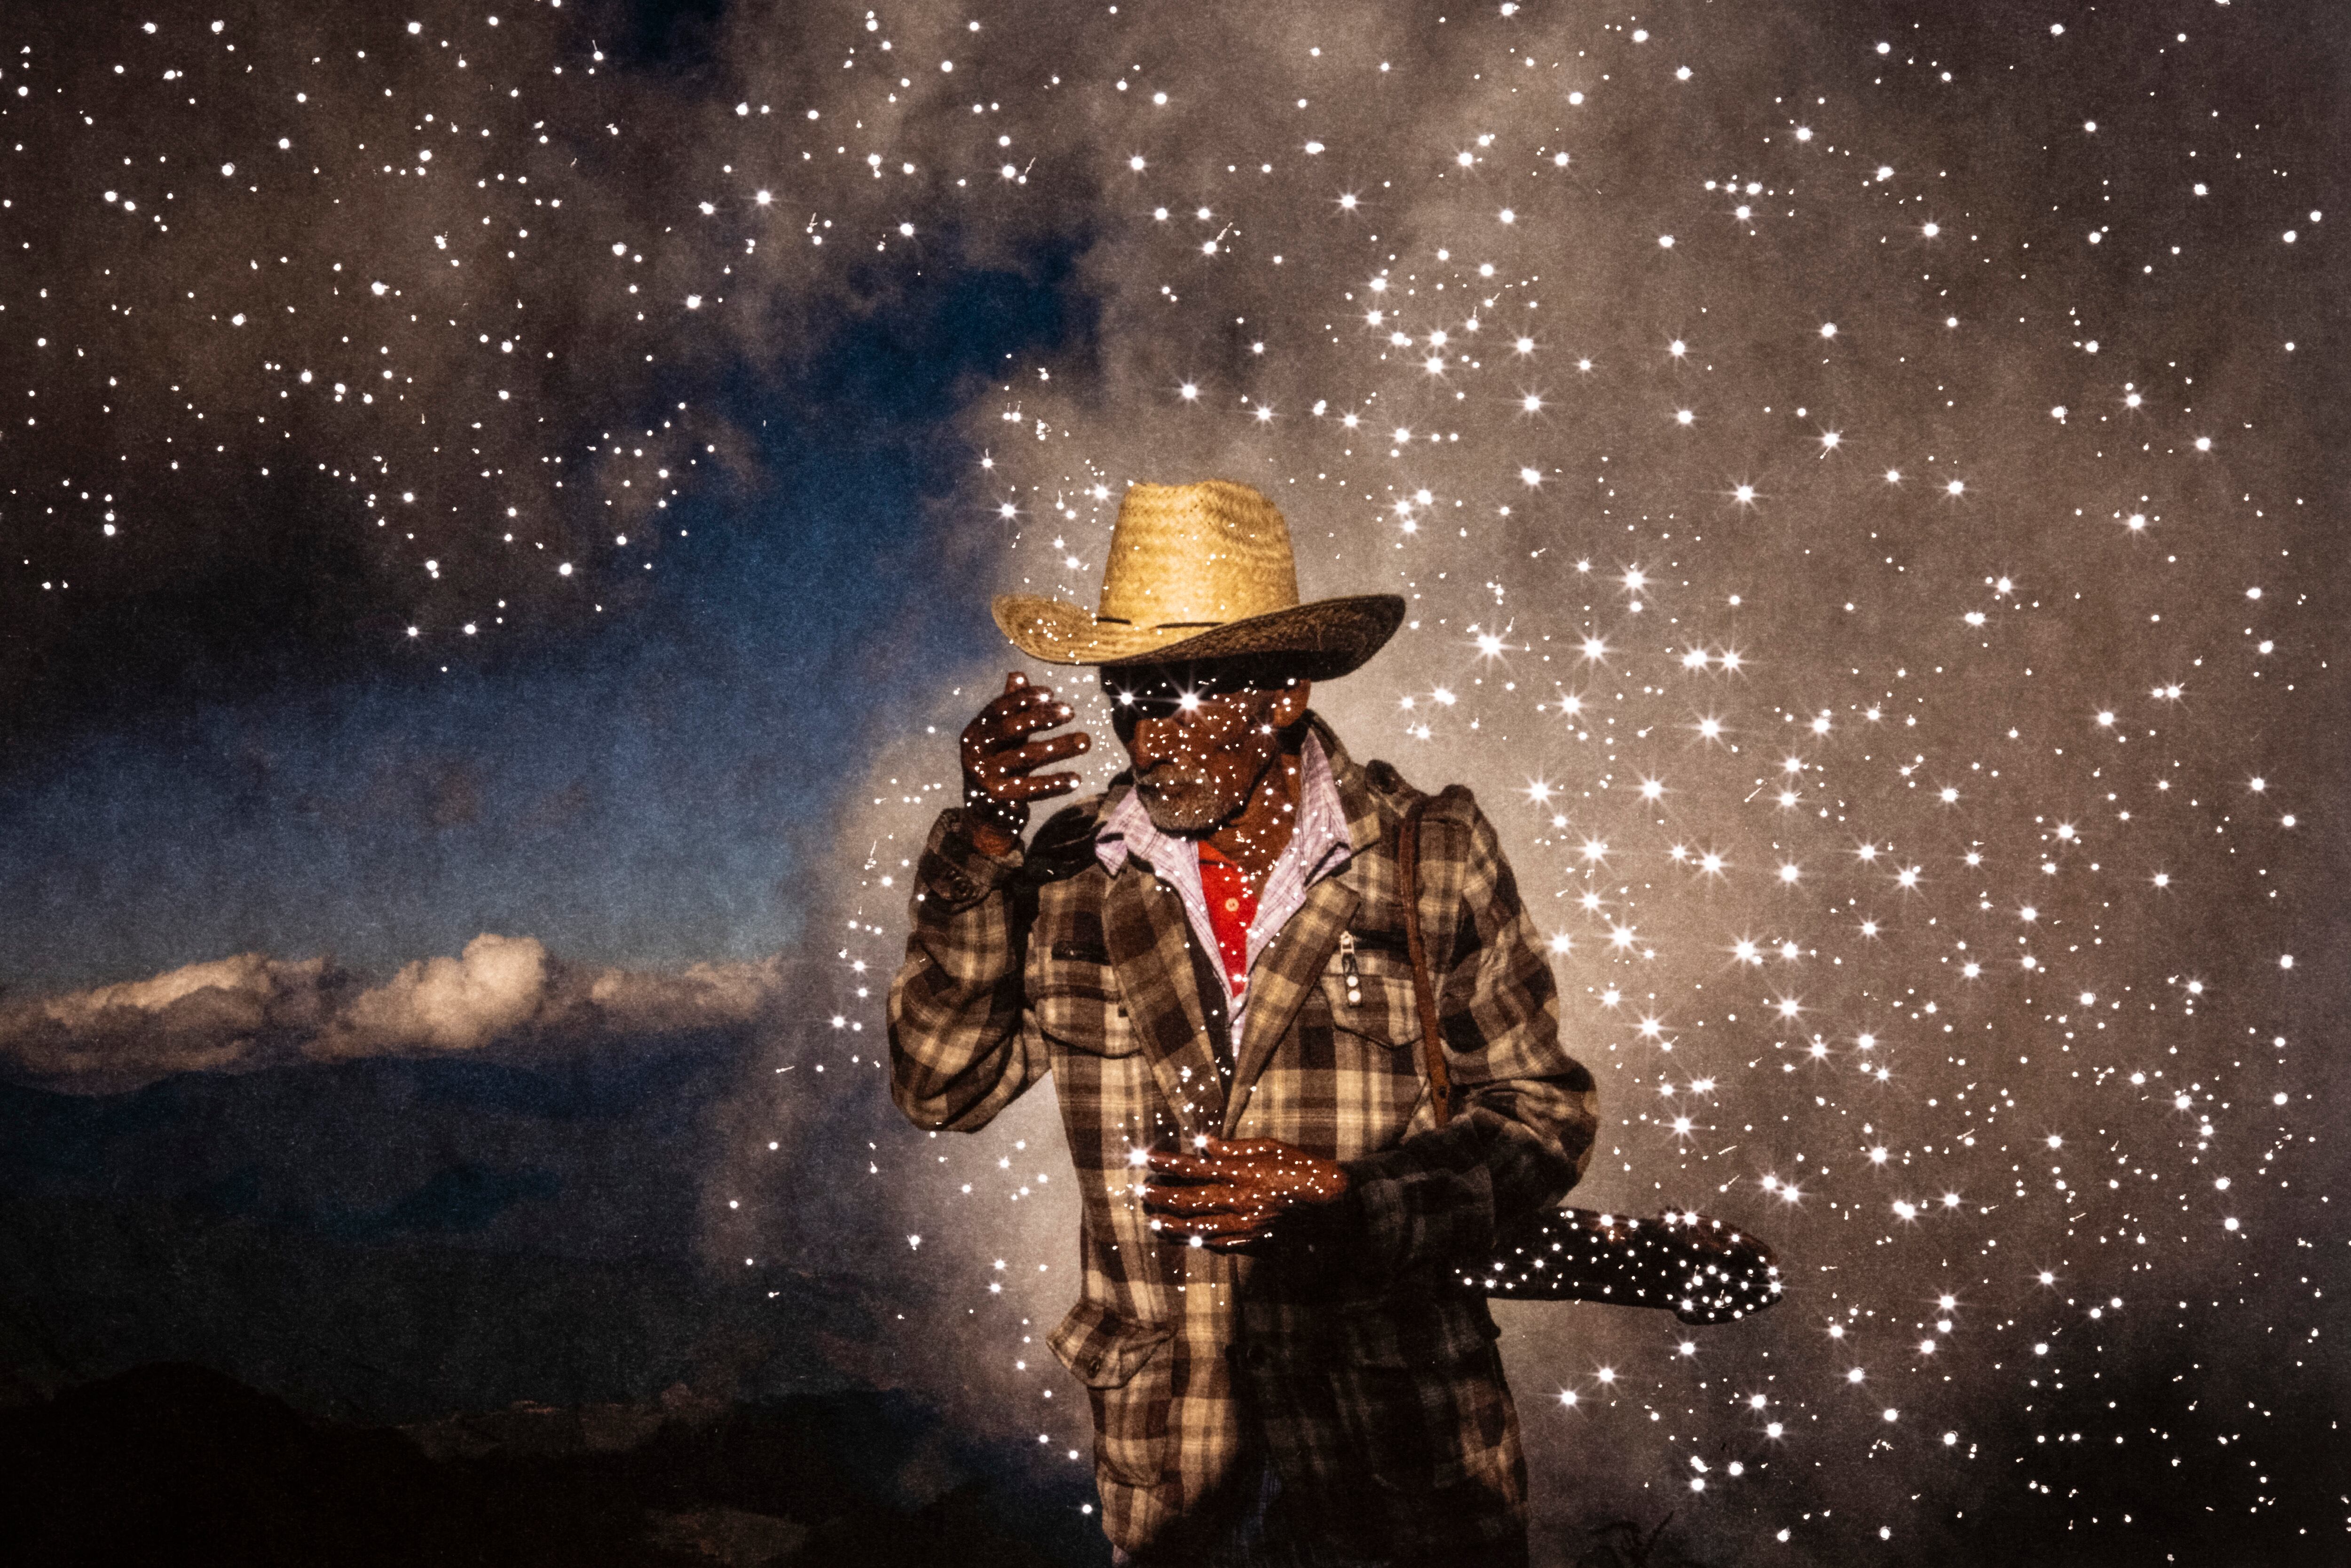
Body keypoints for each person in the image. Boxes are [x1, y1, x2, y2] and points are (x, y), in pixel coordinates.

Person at [887, 479, 1599, 1567]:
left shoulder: (1428, 857)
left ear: (1282, 695)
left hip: (1399, 1455)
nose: (1141, 730)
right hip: (1177, 1469)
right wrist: (984, 841)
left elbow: (1540, 1117)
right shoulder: (1071, 874)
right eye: (1126, 692)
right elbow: (942, 1086)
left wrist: (1349, 1199)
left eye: (1179, 692)